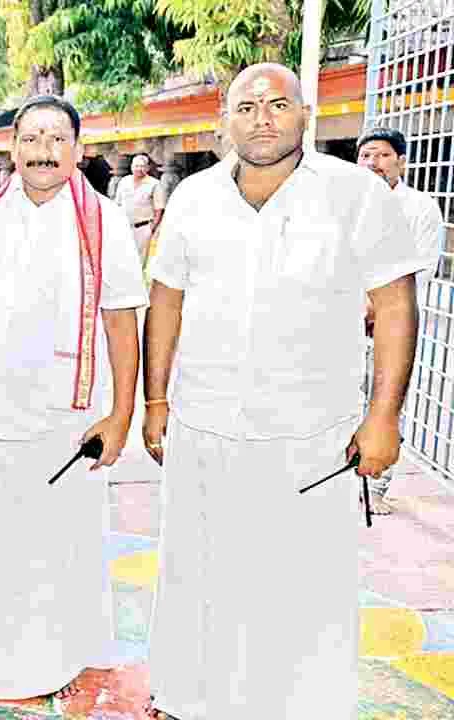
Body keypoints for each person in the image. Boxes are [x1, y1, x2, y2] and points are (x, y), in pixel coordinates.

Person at [143, 64, 423, 720]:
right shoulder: (193, 198)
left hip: (312, 434)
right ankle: (193, 699)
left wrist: (383, 417)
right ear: (226, 122)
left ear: (305, 115)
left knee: (305, 587)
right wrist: (156, 403)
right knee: (200, 571)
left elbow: (395, 305)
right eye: (246, 107)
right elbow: (166, 300)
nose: (261, 118)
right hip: (206, 424)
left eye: (277, 104)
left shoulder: (356, 195)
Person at [0, 95, 146, 699]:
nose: (42, 152)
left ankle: (51, 658)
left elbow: (122, 321)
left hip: (64, 419)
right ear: (13, 147)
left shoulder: (103, 222)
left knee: (54, 541)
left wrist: (121, 414)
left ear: (77, 149)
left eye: (56, 140)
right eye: (30, 139)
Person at [357, 126, 444, 514]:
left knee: (386, 402)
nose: (373, 163)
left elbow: (423, 267)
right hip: (344, 320)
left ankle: (376, 488)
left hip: (392, 324)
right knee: (341, 401)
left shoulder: (420, 208)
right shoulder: (347, 204)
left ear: (401, 162)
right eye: (365, 155)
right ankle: (339, 482)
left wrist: (378, 307)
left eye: (382, 155)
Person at [114, 154, 161, 264]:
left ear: (147, 168)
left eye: (142, 166)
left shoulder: (154, 184)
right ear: (131, 167)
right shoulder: (124, 181)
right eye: (136, 166)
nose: (139, 169)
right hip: (125, 227)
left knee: (140, 261)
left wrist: (151, 228)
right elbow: (117, 204)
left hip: (143, 228)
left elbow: (159, 209)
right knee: (124, 259)